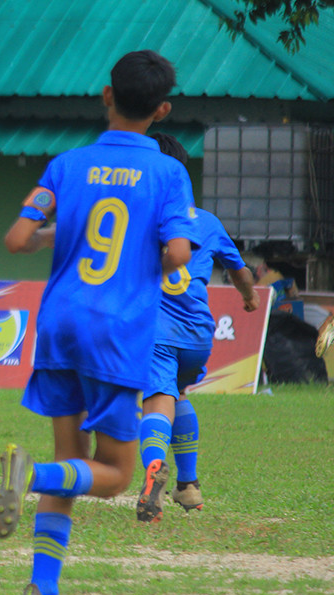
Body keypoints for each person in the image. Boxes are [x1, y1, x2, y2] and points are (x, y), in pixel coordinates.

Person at [0, 50, 199, 595]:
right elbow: (178, 250)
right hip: (116, 330)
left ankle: (42, 591)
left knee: (72, 460)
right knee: (112, 476)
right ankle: (27, 475)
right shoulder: (168, 171)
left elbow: (17, 238)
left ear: (106, 95)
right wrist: (154, 258)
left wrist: (57, 236)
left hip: (60, 321)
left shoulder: (66, 164)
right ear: (163, 110)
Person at [135, 133, 260, 523]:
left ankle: (153, 470)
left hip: (155, 331)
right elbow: (239, 270)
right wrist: (250, 298)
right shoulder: (206, 222)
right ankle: (188, 487)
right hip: (198, 334)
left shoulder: (139, 217)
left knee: (156, 401)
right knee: (180, 394)